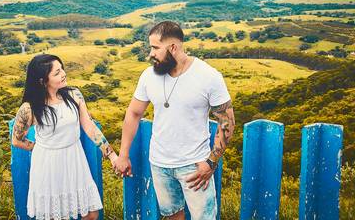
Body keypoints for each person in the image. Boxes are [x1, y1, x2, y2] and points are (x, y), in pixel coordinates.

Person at [114, 21, 236, 220]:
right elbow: (133, 114)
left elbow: (227, 122)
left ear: (173, 47)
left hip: (195, 165)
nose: (151, 53)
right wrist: (123, 154)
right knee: (171, 216)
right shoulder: (148, 76)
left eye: (155, 48)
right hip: (159, 163)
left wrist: (211, 162)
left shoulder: (208, 76)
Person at [12, 54, 118, 220]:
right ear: (42, 81)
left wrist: (111, 154)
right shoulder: (30, 108)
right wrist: (40, 148)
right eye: (56, 73)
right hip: (48, 165)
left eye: (61, 69)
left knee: (91, 214)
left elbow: (89, 126)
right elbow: (16, 140)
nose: (63, 74)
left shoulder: (74, 95)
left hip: (75, 159)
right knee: (55, 216)